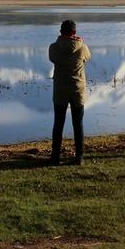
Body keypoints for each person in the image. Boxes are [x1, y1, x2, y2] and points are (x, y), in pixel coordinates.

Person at [48, 20, 92, 165]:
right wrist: (79, 42)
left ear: (60, 32)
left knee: (58, 124)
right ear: (74, 32)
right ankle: (79, 157)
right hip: (77, 89)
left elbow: (52, 58)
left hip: (60, 89)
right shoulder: (82, 47)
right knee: (78, 123)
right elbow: (87, 57)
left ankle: (55, 157)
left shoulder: (54, 47)